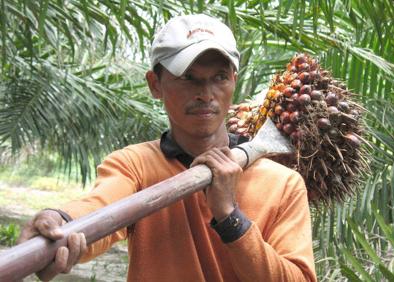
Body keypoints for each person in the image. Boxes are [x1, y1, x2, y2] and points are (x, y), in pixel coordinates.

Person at [18, 14, 317, 281]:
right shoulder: (135, 165)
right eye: (188, 78)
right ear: (155, 84)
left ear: (234, 81)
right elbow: (101, 208)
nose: (205, 94)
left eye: (220, 78)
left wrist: (229, 216)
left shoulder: (283, 185)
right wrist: (61, 222)